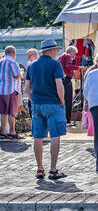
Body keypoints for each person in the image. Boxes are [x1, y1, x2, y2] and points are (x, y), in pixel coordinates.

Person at [24, 39, 67, 180]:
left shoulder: (32, 65)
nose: (57, 52)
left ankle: (39, 169)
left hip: (37, 104)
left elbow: (26, 89)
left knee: (38, 137)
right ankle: (53, 170)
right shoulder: (55, 64)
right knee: (55, 136)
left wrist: (33, 100)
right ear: (52, 50)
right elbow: (59, 86)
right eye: (56, 50)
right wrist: (62, 101)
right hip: (53, 103)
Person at [57, 45, 87, 126]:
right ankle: (67, 120)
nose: (74, 56)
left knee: (61, 99)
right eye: (74, 54)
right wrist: (79, 67)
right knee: (68, 100)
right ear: (71, 51)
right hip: (66, 79)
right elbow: (68, 65)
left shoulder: (60, 56)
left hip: (60, 79)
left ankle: (63, 119)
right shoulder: (67, 56)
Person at [0, 46, 23, 139]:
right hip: (12, 90)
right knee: (12, 112)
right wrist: (22, 74)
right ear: (13, 53)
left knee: (3, 112)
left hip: (1, 90)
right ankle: (12, 132)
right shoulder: (13, 62)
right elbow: (17, 76)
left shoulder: (1, 62)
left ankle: (3, 131)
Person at [25, 49, 39, 118]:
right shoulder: (29, 64)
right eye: (27, 56)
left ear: (35, 55)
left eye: (29, 56)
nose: (28, 58)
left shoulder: (40, 63)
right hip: (31, 91)